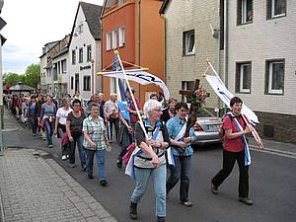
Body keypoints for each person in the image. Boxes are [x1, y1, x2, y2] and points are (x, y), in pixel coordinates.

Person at [129, 99, 170, 222]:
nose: (161, 113)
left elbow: (167, 143)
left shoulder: (162, 124)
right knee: (140, 190)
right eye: (158, 110)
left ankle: (161, 216)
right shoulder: (139, 124)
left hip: (160, 163)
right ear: (150, 111)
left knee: (161, 192)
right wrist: (153, 155)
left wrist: (159, 144)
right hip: (143, 162)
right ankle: (133, 205)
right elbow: (140, 142)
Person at [211, 96, 253, 205]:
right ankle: (215, 182)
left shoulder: (243, 117)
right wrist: (244, 132)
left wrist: (253, 133)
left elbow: (250, 127)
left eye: (240, 105)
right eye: (236, 105)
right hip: (229, 149)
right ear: (231, 107)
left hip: (241, 149)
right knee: (227, 170)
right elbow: (229, 135)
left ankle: (243, 196)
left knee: (244, 172)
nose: (239, 107)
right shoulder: (228, 118)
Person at [166, 102, 196, 207]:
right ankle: (165, 189)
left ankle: (184, 198)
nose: (184, 113)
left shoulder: (188, 123)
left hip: (187, 152)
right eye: (182, 110)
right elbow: (166, 138)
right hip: (175, 152)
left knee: (186, 177)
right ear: (177, 111)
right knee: (175, 176)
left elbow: (194, 136)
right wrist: (178, 143)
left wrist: (190, 138)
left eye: (185, 111)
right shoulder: (171, 123)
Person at [83, 103, 110, 186]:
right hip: (89, 145)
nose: (96, 111)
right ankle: (89, 172)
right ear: (90, 111)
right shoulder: (86, 121)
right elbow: (85, 133)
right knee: (89, 161)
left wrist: (107, 142)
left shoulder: (101, 120)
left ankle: (102, 178)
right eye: (94, 109)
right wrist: (91, 142)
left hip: (100, 144)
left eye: (97, 109)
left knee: (101, 162)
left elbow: (104, 131)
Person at [66, 99, 87, 170]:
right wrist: (69, 136)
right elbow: (67, 126)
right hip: (72, 134)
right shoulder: (70, 115)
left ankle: (84, 164)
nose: (77, 107)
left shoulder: (83, 114)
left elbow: (86, 124)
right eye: (75, 106)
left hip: (80, 134)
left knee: (82, 149)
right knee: (72, 149)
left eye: (78, 106)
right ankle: (71, 161)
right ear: (73, 106)